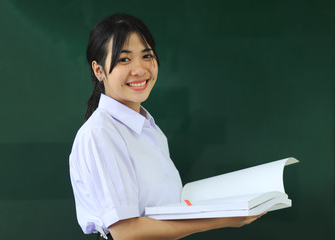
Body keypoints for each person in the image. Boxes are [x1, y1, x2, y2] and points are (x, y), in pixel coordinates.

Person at [69, 13, 265, 240]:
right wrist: (224, 219)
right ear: (98, 70)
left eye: (147, 55)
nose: (140, 69)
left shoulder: (150, 129)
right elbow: (126, 232)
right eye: (124, 59)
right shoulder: (100, 133)